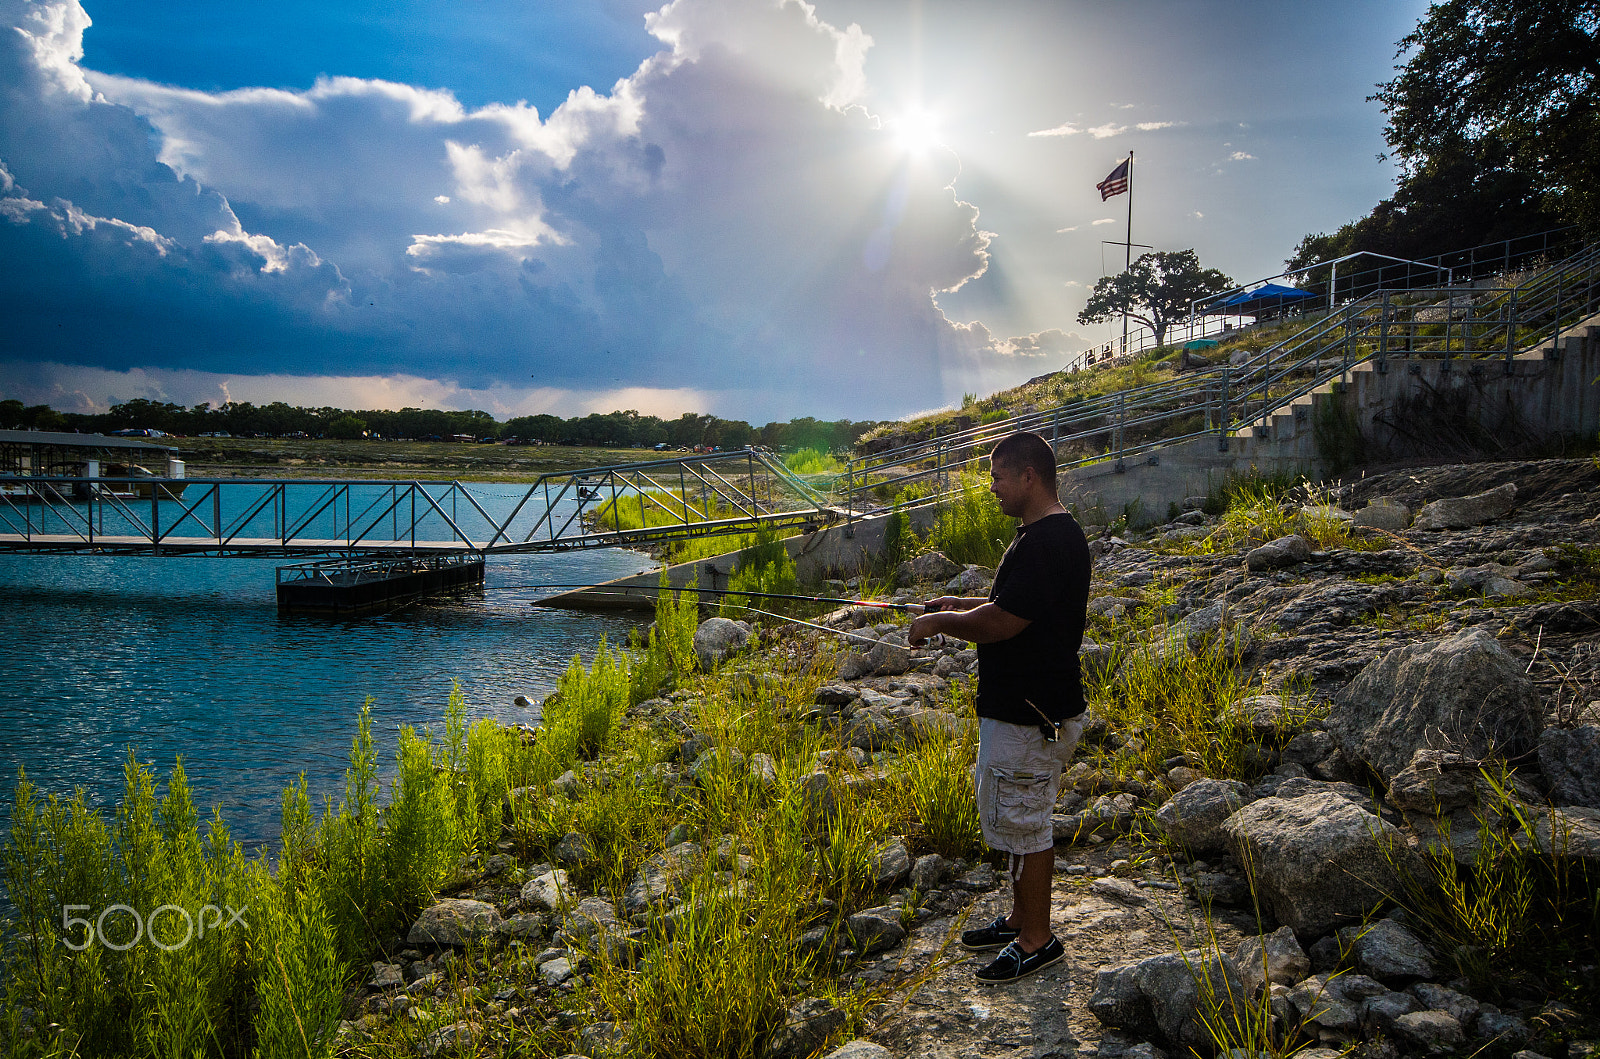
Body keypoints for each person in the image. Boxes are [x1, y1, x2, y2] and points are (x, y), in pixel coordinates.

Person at [908, 430, 1090, 985]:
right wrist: (958, 605)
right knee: (1015, 816)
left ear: (1028, 476)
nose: (992, 488)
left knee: (1027, 824)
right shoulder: (1040, 536)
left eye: (998, 477)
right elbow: (1012, 606)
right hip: (1024, 710)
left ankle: (1038, 940)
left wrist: (940, 623)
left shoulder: (1047, 542)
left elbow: (1005, 623)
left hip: (1032, 714)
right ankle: (1019, 919)